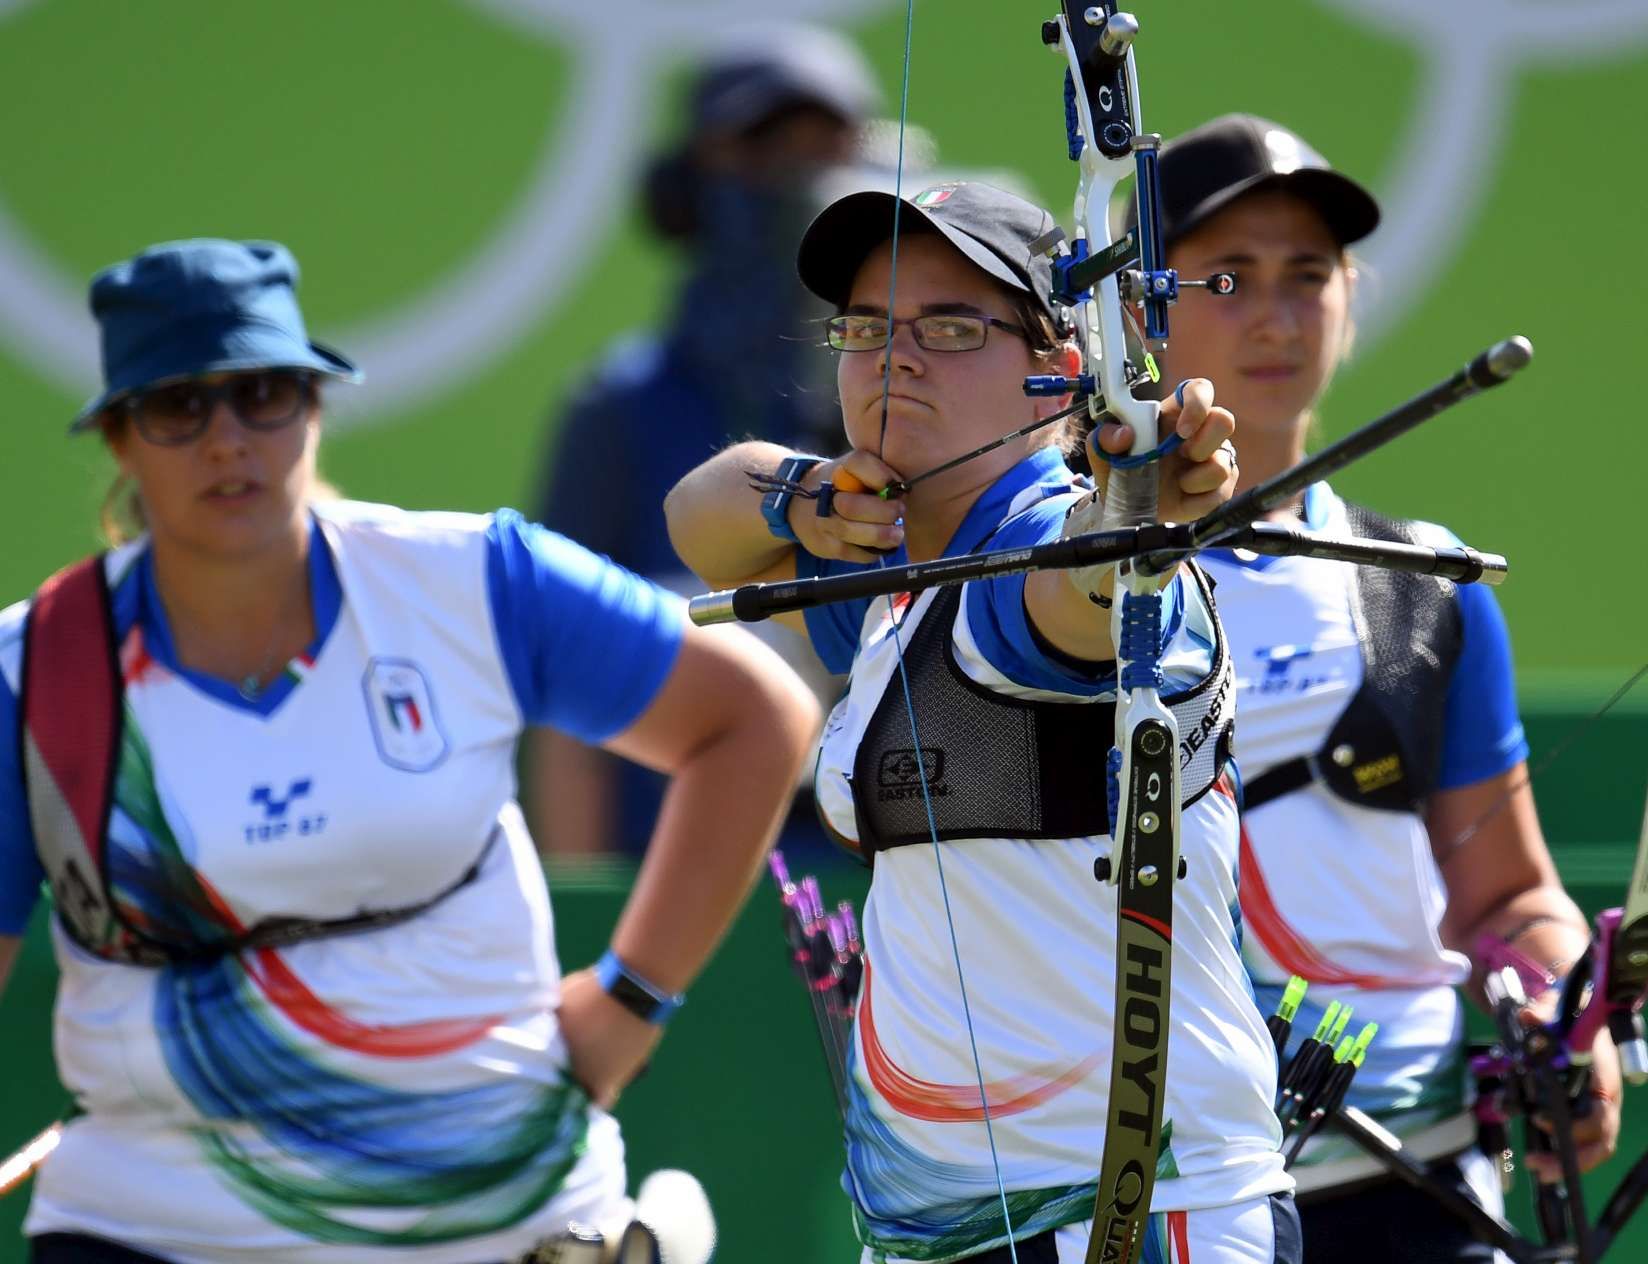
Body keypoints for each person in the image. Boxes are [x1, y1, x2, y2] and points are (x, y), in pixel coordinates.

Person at [0, 239, 820, 1263]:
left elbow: (758, 717)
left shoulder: (471, 580)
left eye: (263, 393)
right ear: (121, 437)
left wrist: (632, 998)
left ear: (314, 406)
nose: (227, 440)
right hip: (152, 1228)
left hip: (495, 1214)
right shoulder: (34, 670)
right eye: (179, 406)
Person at [664, 181, 1299, 1263]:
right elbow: (698, 514)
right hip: (952, 1229)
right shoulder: (887, 568)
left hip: (1134, 1219)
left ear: (1061, 366)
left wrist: (1134, 510)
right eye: (868, 328)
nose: (895, 359)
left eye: (952, 329)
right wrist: (808, 496)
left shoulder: (1030, 558)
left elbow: (1082, 591)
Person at [1147, 114, 1621, 1261]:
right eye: (1226, 278)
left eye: (1307, 275)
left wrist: (1560, 1005)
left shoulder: (1422, 581)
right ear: (1132, 311)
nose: (1274, 317)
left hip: (1417, 1187)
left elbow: (1507, 897)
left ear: (1349, 297)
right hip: (1160, 1201)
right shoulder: (1059, 584)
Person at [530, 27, 879, 858]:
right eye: (762, 151)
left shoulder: (906, 415)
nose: (799, 183)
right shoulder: (618, 412)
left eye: (826, 152)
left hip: (882, 895)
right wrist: (588, 913)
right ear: (684, 192)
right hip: (672, 884)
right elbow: (565, 700)